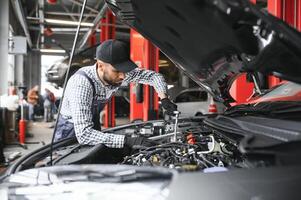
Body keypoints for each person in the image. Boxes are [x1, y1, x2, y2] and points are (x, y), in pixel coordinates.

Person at [55, 39, 177, 152]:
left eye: (124, 69)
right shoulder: (81, 84)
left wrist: (164, 98)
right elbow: (84, 134)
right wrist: (126, 141)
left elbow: (154, 77)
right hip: (69, 129)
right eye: (117, 71)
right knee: (66, 169)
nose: (123, 76)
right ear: (101, 66)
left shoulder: (121, 74)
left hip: (92, 121)